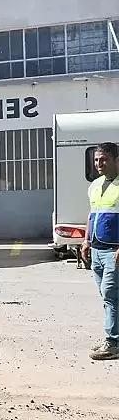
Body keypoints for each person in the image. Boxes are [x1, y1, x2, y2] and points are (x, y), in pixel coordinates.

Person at [82, 142, 119, 361]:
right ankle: (113, 337)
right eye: (96, 160)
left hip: (113, 251)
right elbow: (91, 214)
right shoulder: (95, 185)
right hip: (96, 248)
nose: (99, 164)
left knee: (110, 294)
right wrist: (86, 241)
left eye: (104, 159)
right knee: (107, 297)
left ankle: (113, 342)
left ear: (116, 160)